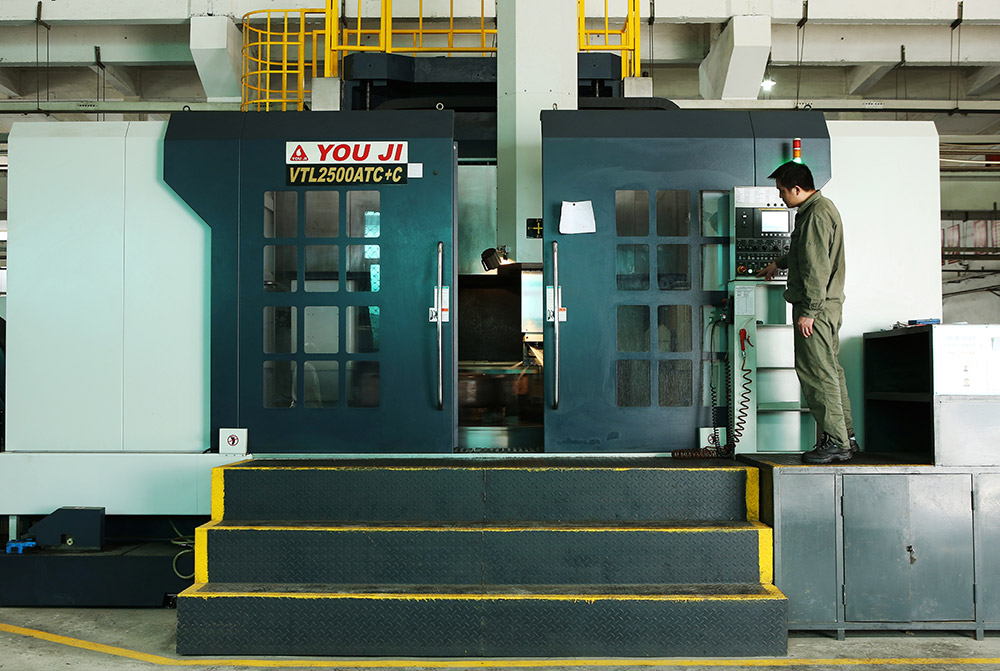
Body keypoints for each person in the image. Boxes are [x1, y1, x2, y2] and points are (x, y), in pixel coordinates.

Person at [758, 162, 859, 464]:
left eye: (782, 191)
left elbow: (817, 268)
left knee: (816, 373)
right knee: (830, 372)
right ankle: (846, 437)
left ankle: (836, 442)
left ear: (797, 189)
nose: (781, 197)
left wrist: (810, 311)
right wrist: (778, 263)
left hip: (816, 308)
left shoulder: (815, 214)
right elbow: (805, 252)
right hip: (828, 306)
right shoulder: (820, 209)